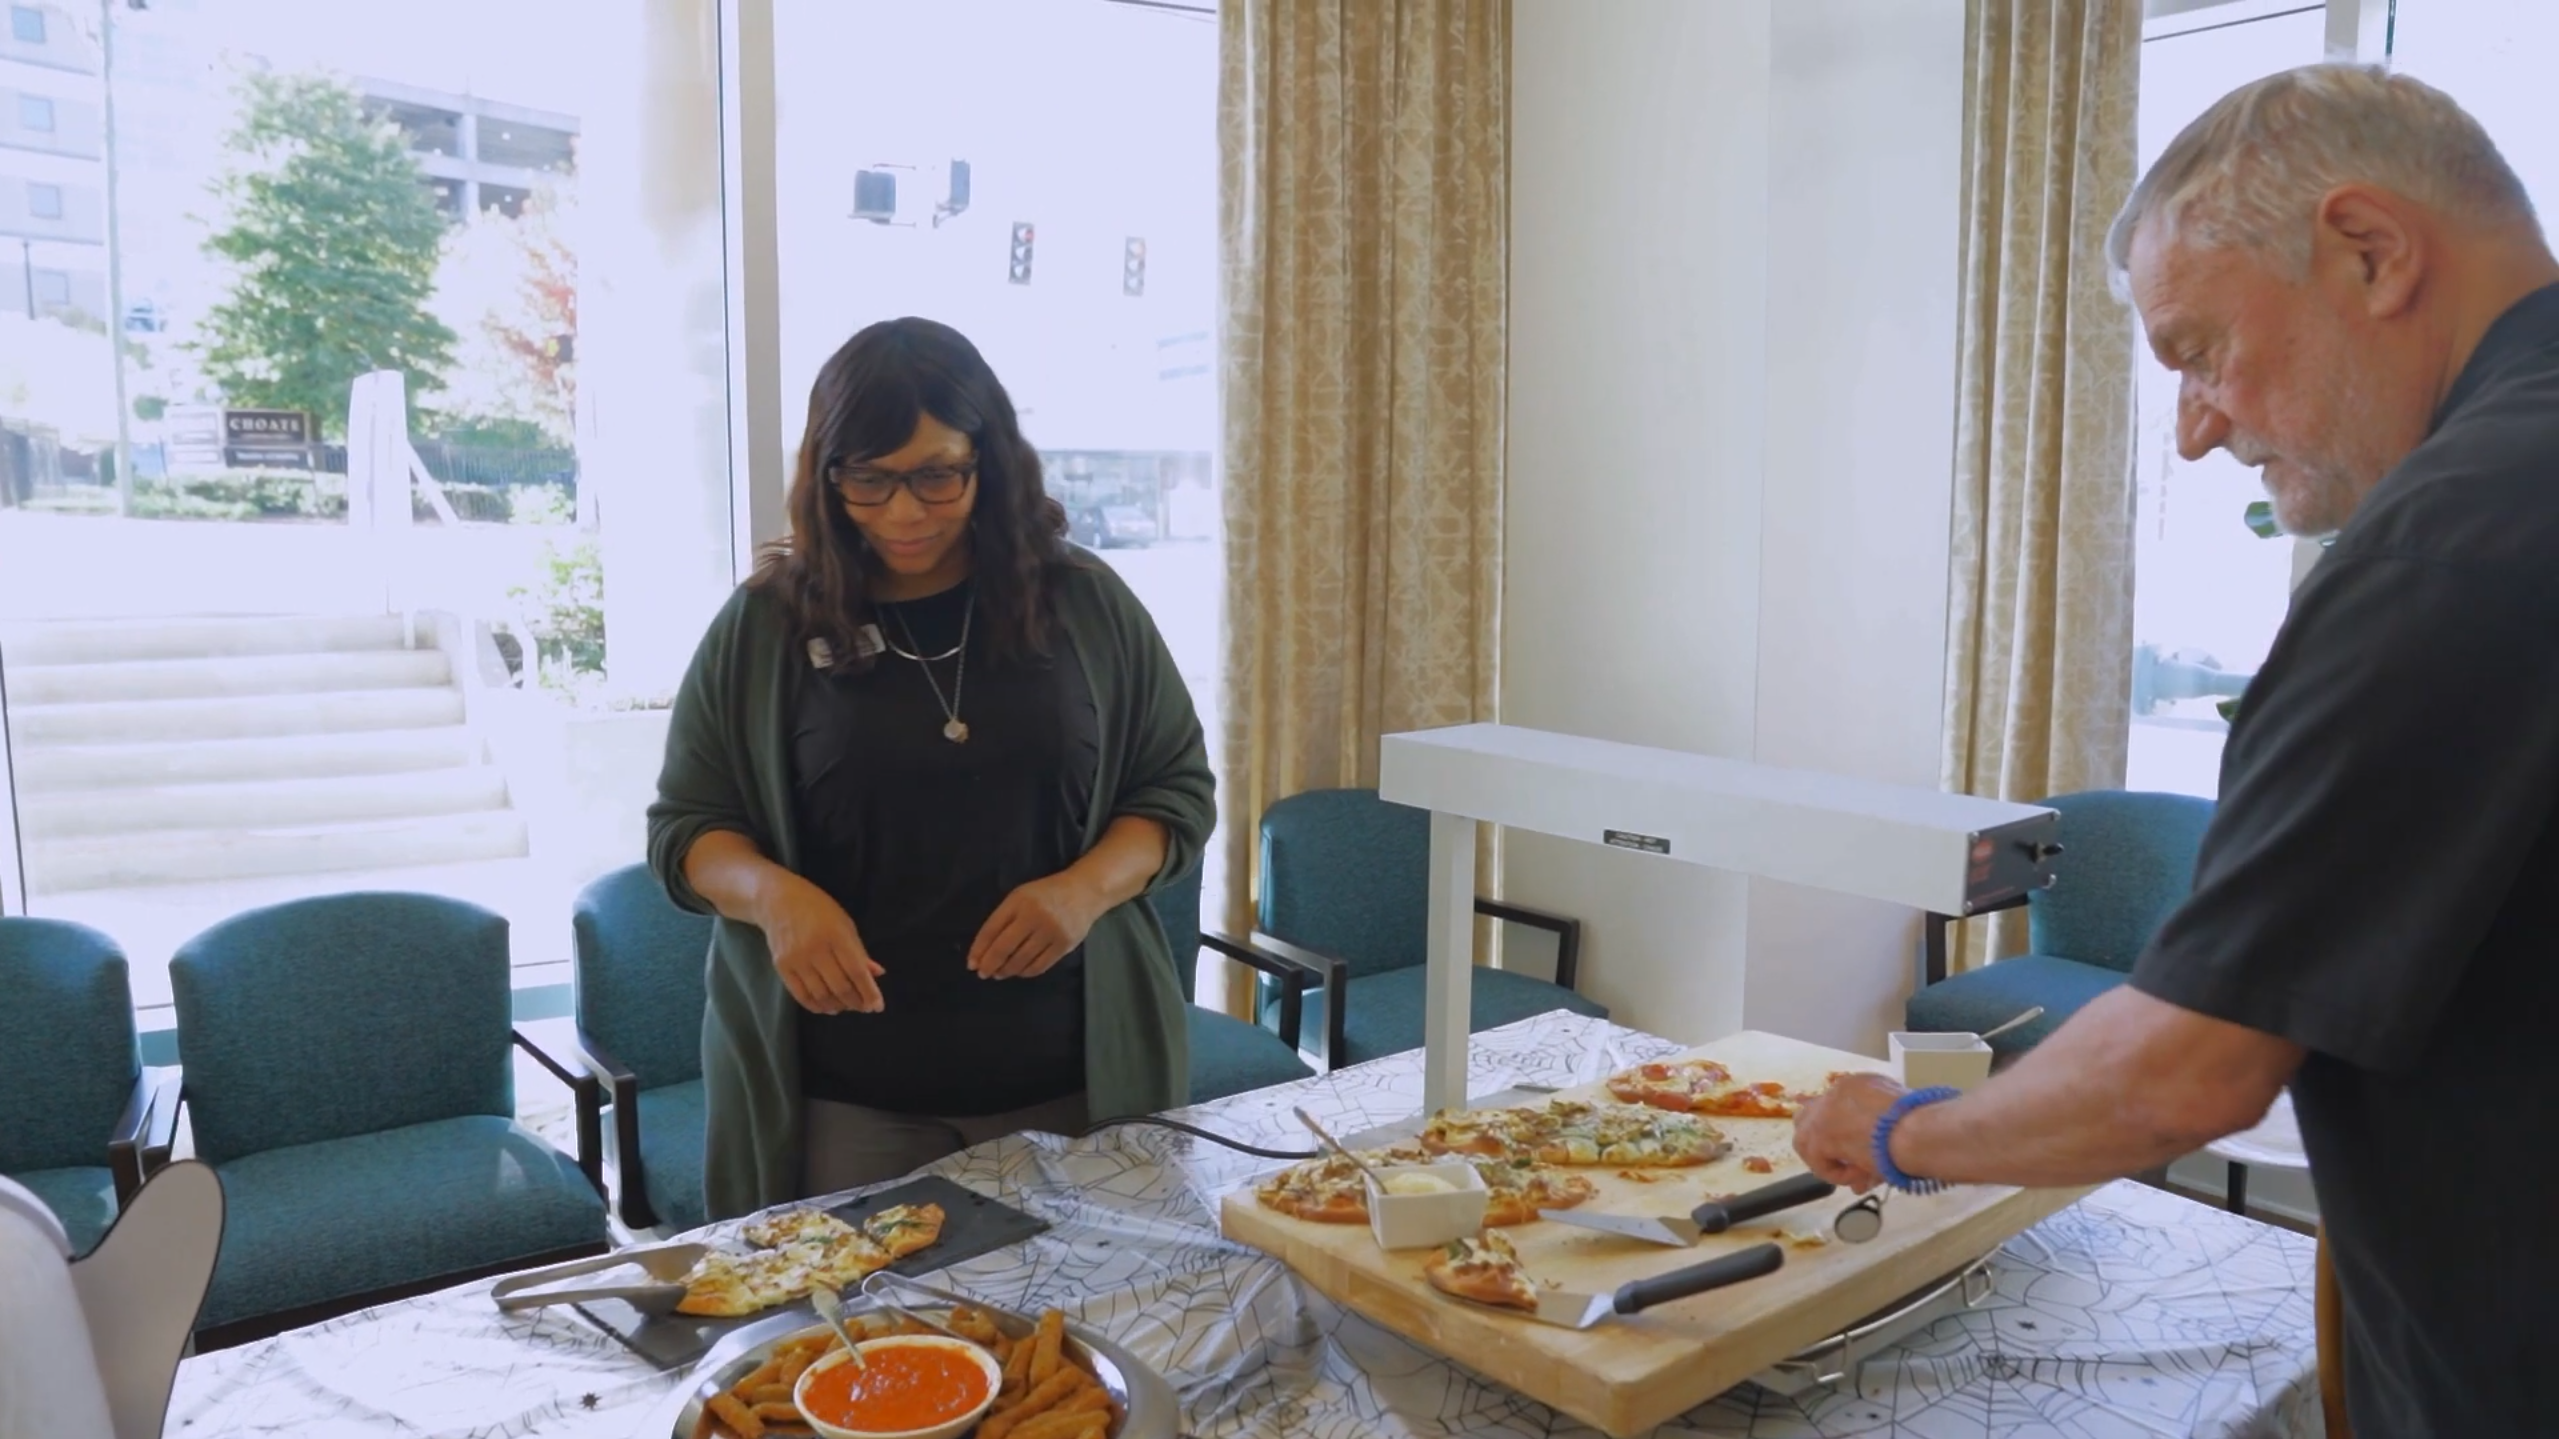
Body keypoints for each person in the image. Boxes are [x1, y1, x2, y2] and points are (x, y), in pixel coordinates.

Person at [1795, 65, 2559, 1436]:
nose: (2197, 430)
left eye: (2199, 351)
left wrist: (1899, 1132)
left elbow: (2185, 1068)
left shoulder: (2444, 545)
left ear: (2368, 251)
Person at [648, 317, 1214, 1216]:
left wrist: (1083, 890)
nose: (903, 513)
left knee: (1094, 1299)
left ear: (990, 462)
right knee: (850, 1305)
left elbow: (1174, 790)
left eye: (936, 475)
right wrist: (773, 898)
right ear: (826, 473)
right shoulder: (766, 625)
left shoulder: (1085, 604)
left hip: (1074, 1076)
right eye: (868, 479)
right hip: (845, 1095)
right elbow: (687, 827)